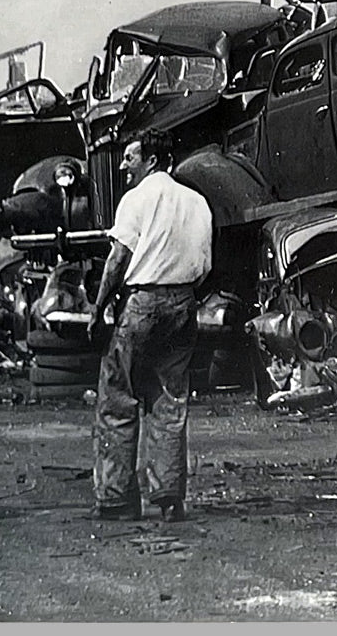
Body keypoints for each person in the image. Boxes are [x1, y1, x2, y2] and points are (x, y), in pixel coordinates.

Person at [87, 130, 212, 522]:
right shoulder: (197, 202)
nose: (123, 165)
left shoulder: (136, 199)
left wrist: (98, 307)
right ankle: (169, 498)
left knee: (118, 398)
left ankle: (116, 499)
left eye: (130, 157)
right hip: (183, 303)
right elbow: (206, 264)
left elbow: (117, 259)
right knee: (170, 400)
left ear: (151, 161)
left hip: (142, 304)